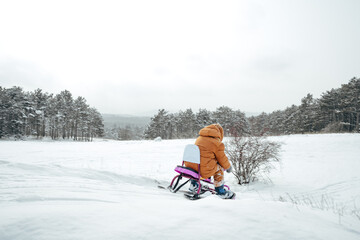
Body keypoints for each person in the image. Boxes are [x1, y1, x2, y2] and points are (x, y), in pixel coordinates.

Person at [185, 123, 235, 199]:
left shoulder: (199, 139)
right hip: (202, 169)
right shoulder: (217, 143)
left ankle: (194, 184)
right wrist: (228, 167)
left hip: (191, 166)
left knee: (207, 163)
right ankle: (220, 191)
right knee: (220, 168)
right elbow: (222, 158)